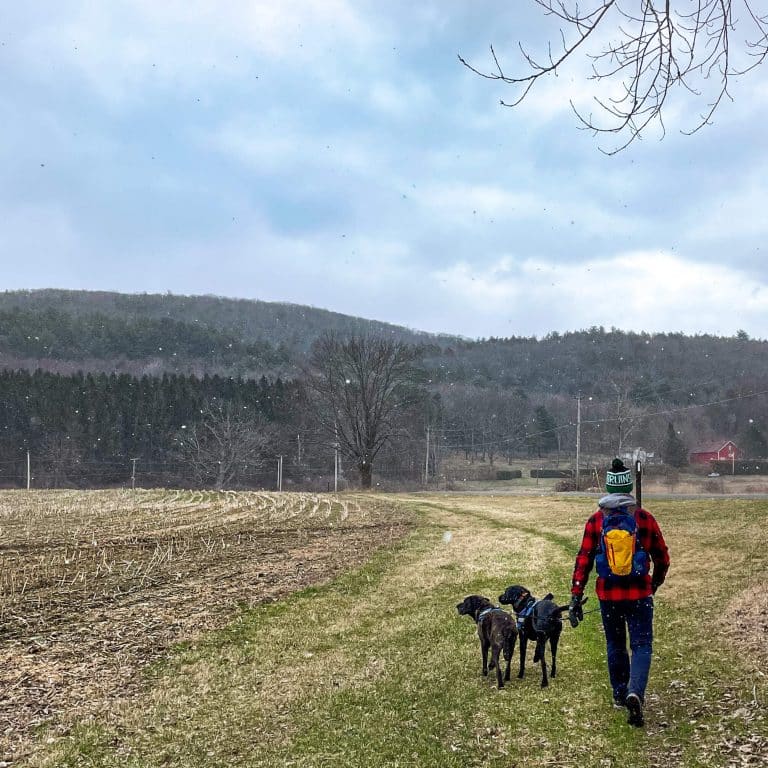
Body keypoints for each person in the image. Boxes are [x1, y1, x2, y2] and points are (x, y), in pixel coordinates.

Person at [568, 458, 670, 727]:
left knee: (615, 644)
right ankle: (636, 691)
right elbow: (662, 557)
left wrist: (576, 595)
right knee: (641, 645)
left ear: (608, 487)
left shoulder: (597, 521)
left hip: (608, 595)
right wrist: (654, 583)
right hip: (639, 595)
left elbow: (584, 559)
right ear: (628, 487)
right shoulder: (644, 519)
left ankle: (619, 694)